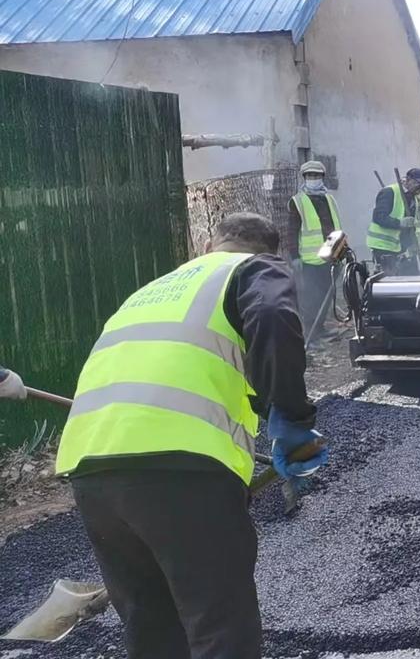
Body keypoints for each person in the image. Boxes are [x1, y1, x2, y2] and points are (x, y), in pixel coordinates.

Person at [54, 212, 329, 659]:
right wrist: (290, 416)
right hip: (181, 468)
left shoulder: (152, 290)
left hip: (92, 470)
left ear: (207, 245)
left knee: (153, 629)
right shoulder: (253, 268)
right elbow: (274, 313)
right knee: (220, 627)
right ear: (269, 251)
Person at [287, 160, 342, 335]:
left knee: (327, 293)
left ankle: (320, 327)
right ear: (304, 178)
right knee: (312, 297)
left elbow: (335, 227)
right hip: (310, 259)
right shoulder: (298, 201)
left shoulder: (329, 199)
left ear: (322, 177)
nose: (313, 178)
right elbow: (292, 231)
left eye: (316, 175)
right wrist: (294, 256)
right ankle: (311, 332)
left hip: (330, 255)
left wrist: (341, 251)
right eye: (310, 176)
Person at [367, 168, 420, 275]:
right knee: (390, 284)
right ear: (408, 181)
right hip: (384, 248)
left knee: (412, 281)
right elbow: (379, 217)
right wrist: (399, 223)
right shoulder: (389, 192)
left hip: (404, 249)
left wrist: (412, 243)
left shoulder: (414, 197)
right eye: (417, 185)